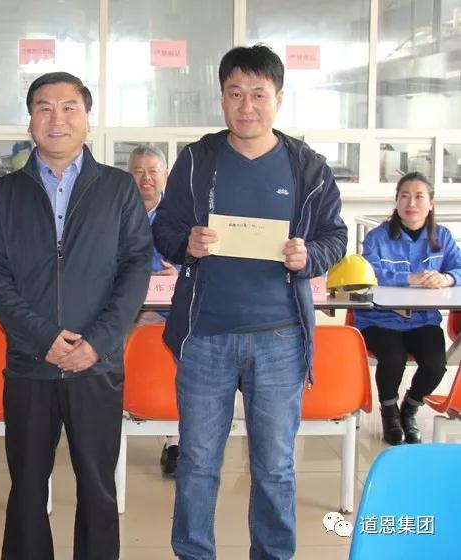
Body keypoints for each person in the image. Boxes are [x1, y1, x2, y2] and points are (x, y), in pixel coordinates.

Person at [152, 45, 347, 559]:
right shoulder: (197, 160)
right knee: (197, 462)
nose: (246, 106)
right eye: (235, 93)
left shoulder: (308, 167)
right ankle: (194, 552)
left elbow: (335, 236)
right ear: (222, 98)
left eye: (259, 94)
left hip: (280, 339)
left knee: (275, 466)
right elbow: (165, 228)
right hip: (205, 337)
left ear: (279, 99)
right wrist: (186, 243)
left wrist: (309, 256)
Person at [0, 71, 153, 560]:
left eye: (69, 107)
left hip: (96, 365)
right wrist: (42, 338)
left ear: (87, 120)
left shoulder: (118, 189)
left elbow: (136, 267)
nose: (57, 118)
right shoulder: (4, 193)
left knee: (97, 488)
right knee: (26, 488)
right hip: (29, 364)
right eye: (44, 107)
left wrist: (96, 342)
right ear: (30, 121)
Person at [354, 172, 459, 445]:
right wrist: (408, 278)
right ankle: (389, 412)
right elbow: (369, 273)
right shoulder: (377, 237)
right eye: (404, 196)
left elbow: (458, 268)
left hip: (423, 320)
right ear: (396, 201)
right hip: (379, 320)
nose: (411, 203)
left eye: (419, 196)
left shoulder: (442, 236)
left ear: (431, 203)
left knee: (436, 364)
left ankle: (410, 408)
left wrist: (447, 278)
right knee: (393, 358)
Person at [128, 145, 180, 475]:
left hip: (171, 308)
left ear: (165, 176)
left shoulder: (180, 216)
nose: (146, 178)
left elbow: (198, 259)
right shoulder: (117, 213)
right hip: (127, 308)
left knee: (185, 357)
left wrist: (178, 272)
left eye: (152, 171)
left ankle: (175, 441)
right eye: (138, 171)